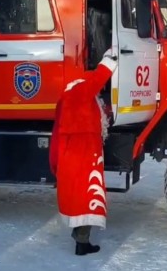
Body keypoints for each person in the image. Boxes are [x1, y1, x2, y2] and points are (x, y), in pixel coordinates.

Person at [49, 48, 118, 256]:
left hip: (74, 155)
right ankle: (82, 243)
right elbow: (95, 82)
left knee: (77, 198)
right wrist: (109, 61)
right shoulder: (80, 93)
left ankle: (79, 237)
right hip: (85, 156)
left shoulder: (68, 99)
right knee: (86, 197)